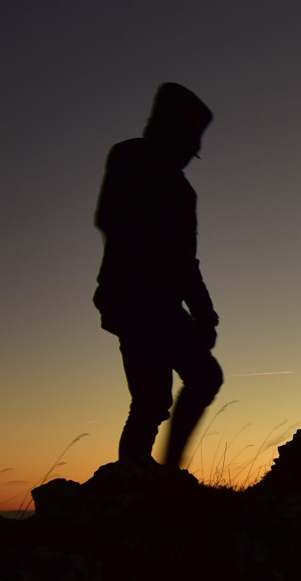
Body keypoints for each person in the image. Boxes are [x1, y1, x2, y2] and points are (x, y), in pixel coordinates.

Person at [93, 82, 225, 472]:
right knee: (196, 380)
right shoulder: (131, 156)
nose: (191, 154)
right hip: (133, 297)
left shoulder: (183, 190)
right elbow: (112, 220)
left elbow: (187, 260)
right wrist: (182, 304)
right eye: (189, 142)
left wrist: (204, 313)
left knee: (152, 400)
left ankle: (141, 477)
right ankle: (158, 476)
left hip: (149, 300)